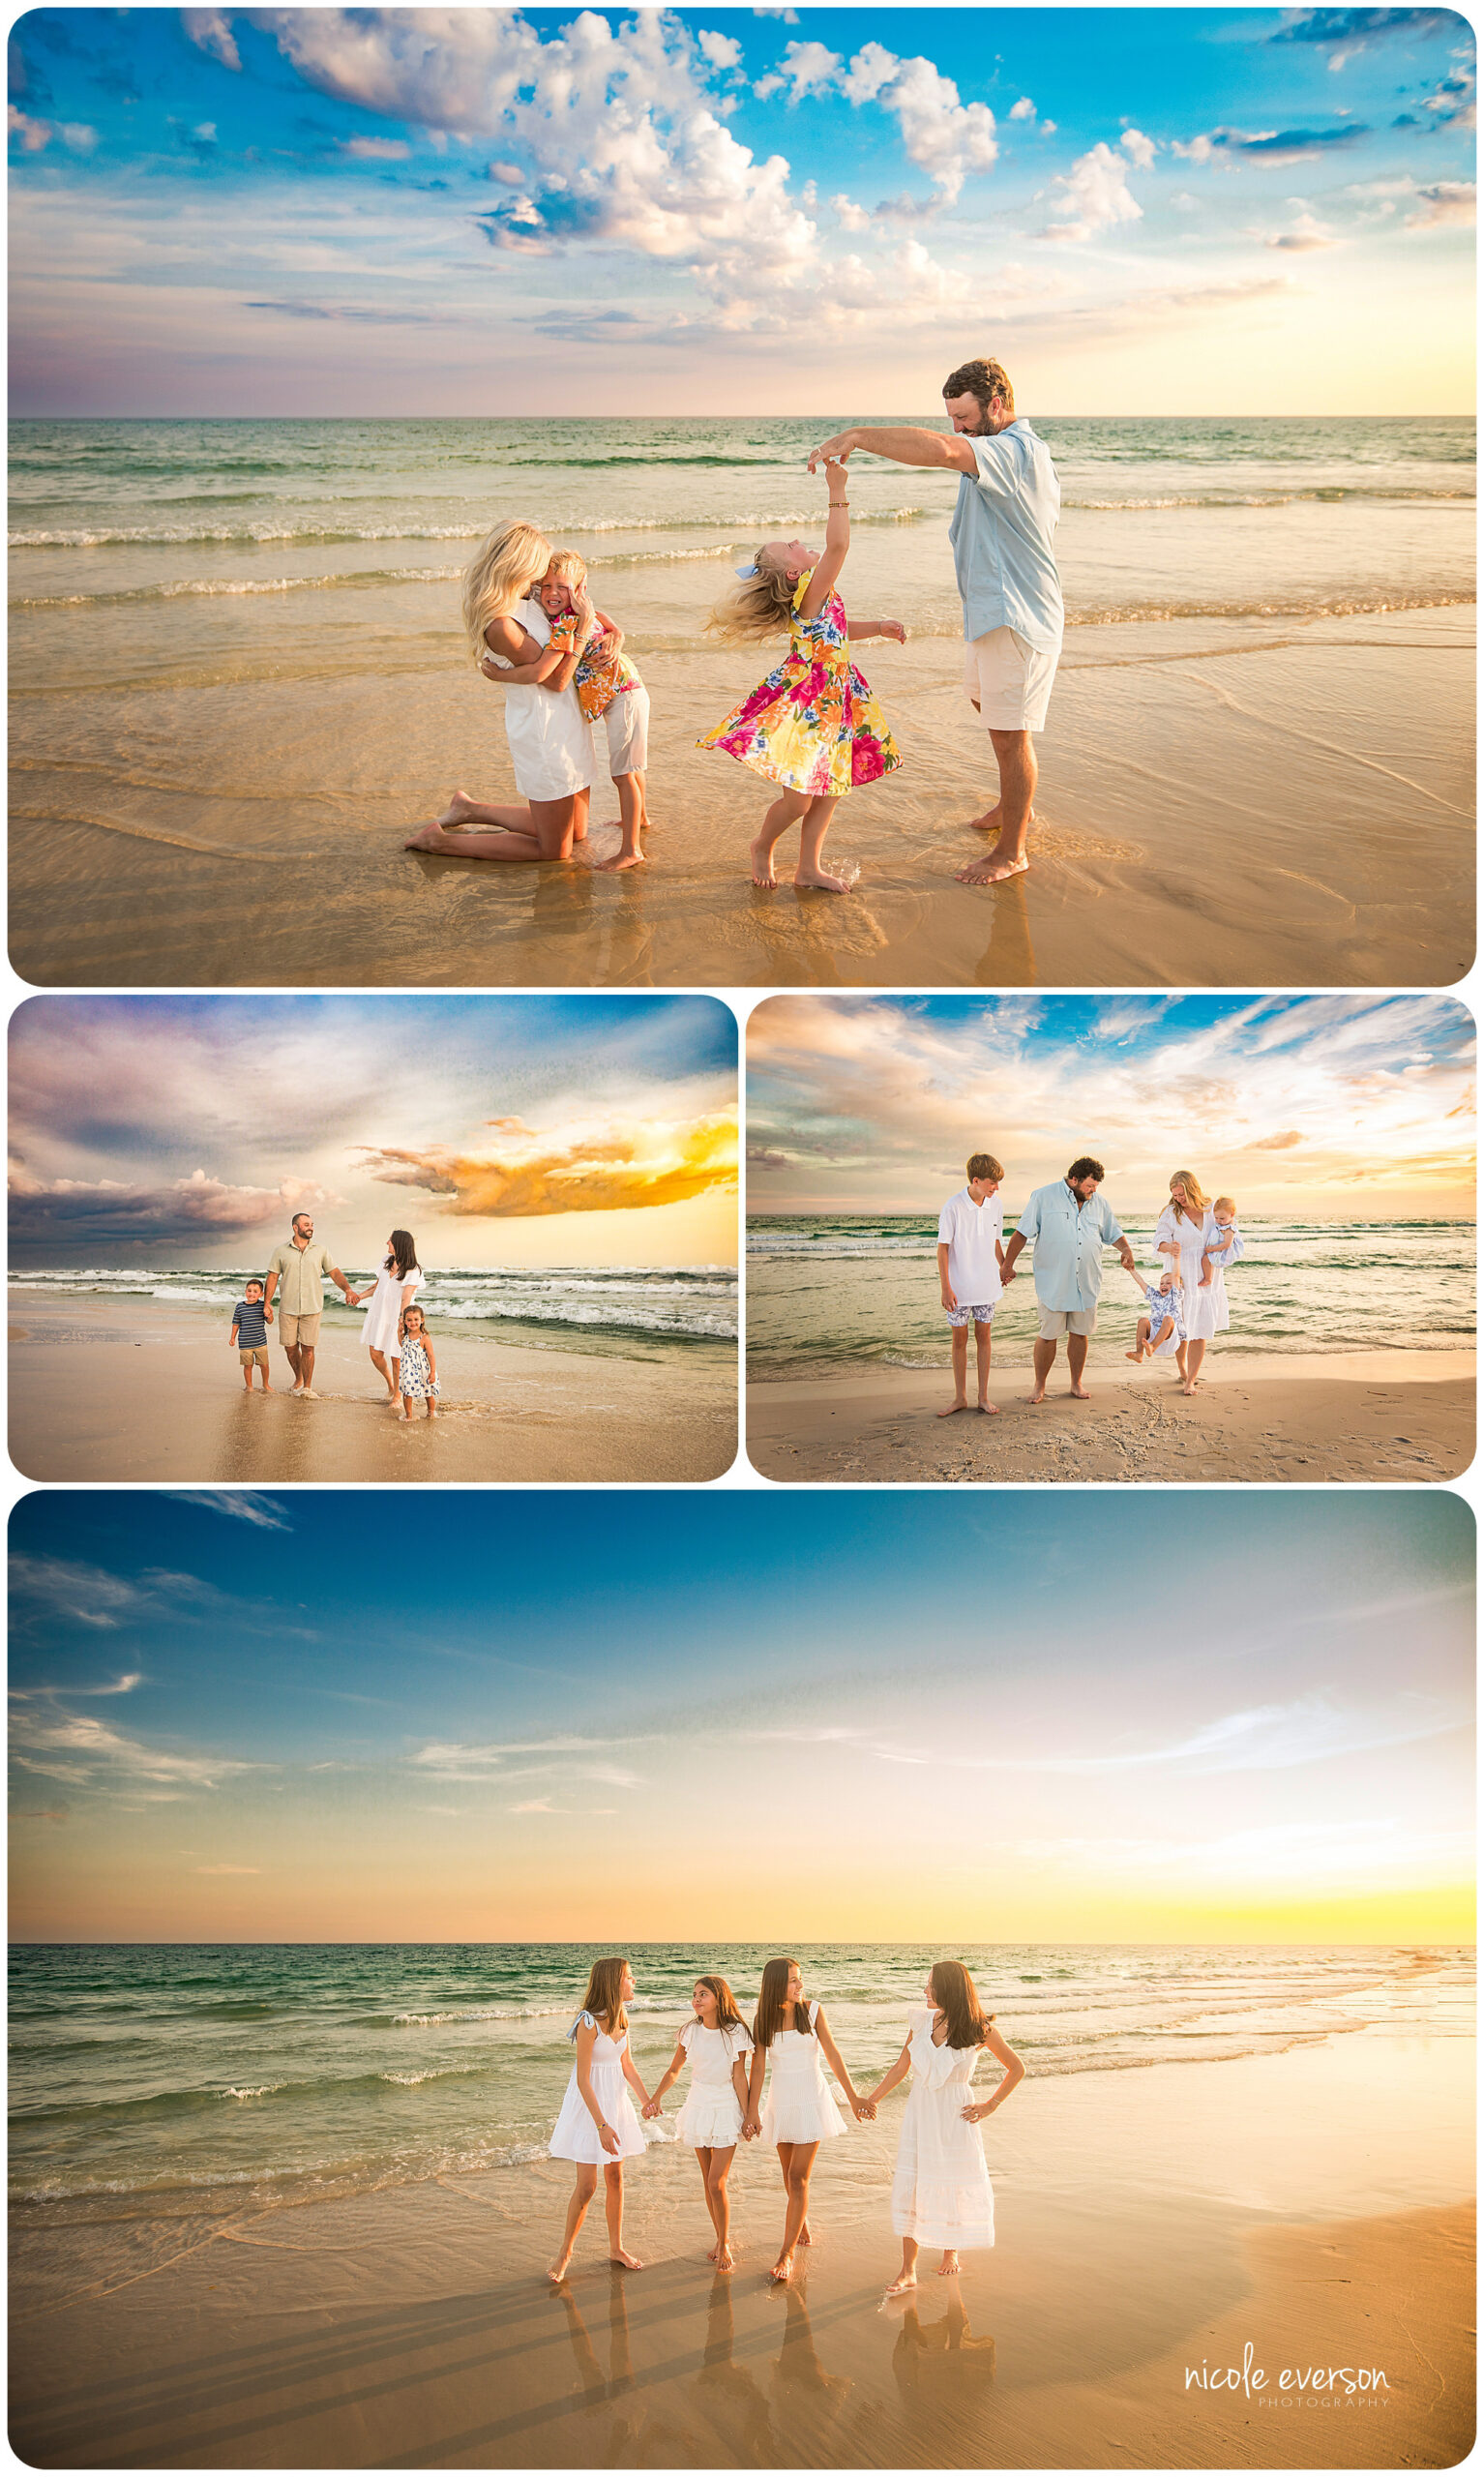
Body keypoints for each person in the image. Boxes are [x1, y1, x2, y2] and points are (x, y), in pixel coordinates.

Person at [807, 354, 1062, 887]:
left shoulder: (1014, 451)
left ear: (997, 404)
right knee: (989, 708)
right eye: (950, 417)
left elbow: (943, 452)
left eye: (964, 417)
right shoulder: (993, 450)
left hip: (1017, 615)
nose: (957, 428)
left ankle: (1013, 850)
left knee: (1011, 733)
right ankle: (1014, 806)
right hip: (992, 614)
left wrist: (857, 435)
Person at [697, 460, 904, 894]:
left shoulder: (818, 600)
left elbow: (837, 632)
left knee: (832, 787)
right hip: (808, 706)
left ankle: (808, 867)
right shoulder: (810, 594)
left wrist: (879, 628)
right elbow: (839, 546)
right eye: (789, 546)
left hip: (839, 698)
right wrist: (837, 488)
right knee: (799, 799)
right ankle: (762, 843)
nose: (796, 540)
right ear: (795, 573)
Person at [405, 519, 598, 864]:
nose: (543, 575)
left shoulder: (529, 595)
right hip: (544, 729)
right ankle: (439, 843)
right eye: (538, 565)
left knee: (579, 830)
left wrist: (612, 633)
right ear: (518, 565)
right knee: (555, 851)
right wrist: (583, 631)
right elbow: (553, 680)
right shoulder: (501, 624)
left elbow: (570, 608)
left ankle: (469, 809)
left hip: (568, 719)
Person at [859, 1960, 1024, 2297]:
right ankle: (908, 2271)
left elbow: (1016, 2068)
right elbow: (902, 2065)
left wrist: (990, 2106)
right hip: (920, 2113)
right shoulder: (920, 2021)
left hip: (955, 2116)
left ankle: (952, 2250)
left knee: (951, 2181)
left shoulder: (981, 2029)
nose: (925, 1991)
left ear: (949, 1988)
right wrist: (871, 2098)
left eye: (931, 1985)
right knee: (914, 2184)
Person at [746, 1956, 871, 2285]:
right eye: (792, 1980)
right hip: (781, 2102)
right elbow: (757, 2068)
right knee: (789, 2176)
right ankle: (800, 2221)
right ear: (775, 1984)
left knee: (799, 2177)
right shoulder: (763, 2020)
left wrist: (853, 2096)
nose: (800, 1985)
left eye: (800, 1979)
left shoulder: (813, 2011)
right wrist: (751, 2110)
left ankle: (786, 2254)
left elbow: (832, 2053)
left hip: (811, 2101)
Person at [540, 551, 650, 872]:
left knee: (624, 774)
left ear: (580, 588)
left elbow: (556, 670)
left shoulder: (567, 624)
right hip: (629, 692)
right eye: (545, 587)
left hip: (625, 697)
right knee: (632, 769)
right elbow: (615, 630)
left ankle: (631, 850)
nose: (553, 594)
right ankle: (640, 819)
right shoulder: (585, 615)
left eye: (563, 587)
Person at [549, 1956, 654, 2282]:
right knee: (588, 2186)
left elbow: (627, 2067)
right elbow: (583, 2080)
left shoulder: (623, 2020)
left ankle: (616, 2247)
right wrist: (601, 2125)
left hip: (616, 2104)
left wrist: (647, 2100)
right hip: (590, 2110)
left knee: (616, 2180)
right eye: (629, 1977)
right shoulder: (588, 2023)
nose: (633, 1981)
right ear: (613, 1982)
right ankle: (565, 2252)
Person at [997, 1157, 1137, 1405]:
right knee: (1048, 1334)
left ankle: (1076, 1384)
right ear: (1074, 1180)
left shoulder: (1100, 1203)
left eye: (1096, 1187)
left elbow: (1113, 1233)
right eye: (1089, 1186)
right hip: (1054, 1282)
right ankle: (1039, 1386)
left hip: (1087, 1282)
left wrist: (1125, 1249)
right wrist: (1007, 1265)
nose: (1093, 1191)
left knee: (1080, 1333)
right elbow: (1021, 1233)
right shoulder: (1043, 1197)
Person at [643, 1976, 755, 2273]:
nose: (696, 1999)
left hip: (726, 2107)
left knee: (717, 2182)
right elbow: (674, 2069)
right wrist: (654, 2098)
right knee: (708, 2182)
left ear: (719, 1997)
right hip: (698, 2106)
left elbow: (740, 2076)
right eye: (694, 1994)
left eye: (703, 1994)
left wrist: (747, 2116)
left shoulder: (736, 2032)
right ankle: (719, 2239)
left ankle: (725, 2242)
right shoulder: (689, 2031)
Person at [935, 1152, 1010, 1419]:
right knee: (959, 1340)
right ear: (976, 1180)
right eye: (992, 1183)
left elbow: (996, 1241)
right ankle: (960, 1398)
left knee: (985, 1339)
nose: (996, 1188)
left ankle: (983, 1397)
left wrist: (1003, 1267)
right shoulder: (953, 1206)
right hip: (959, 1287)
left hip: (987, 1286)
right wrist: (946, 1287)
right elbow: (942, 1248)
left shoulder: (996, 1205)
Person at [262, 1212, 356, 1400]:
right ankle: (298, 1378)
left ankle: (307, 1387)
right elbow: (272, 1277)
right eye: (306, 1224)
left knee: (308, 1349)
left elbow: (334, 1272)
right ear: (295, 1228)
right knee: (290, 1348)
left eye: (312, 1224)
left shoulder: (321, 1250)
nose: (310, 1227)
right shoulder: (280, 1251)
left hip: (312, 1307)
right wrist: (266, 1303)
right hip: (287, 1307)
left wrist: (348, 1289)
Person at [1153, 1171, 1227, 1396]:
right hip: (1181, 1275)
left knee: (1200, 1329)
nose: (1178, 1199)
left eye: (1181, 1194)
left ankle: (1191, 1381)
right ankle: (1182, 1370)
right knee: (1182, 1327)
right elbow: (1158, 1240)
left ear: (1192, 1188)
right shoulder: (1170, 1213)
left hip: (1206, 1278)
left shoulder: (1212, 1208)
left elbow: (1229, 1228)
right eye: (1174, 1195)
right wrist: (1169, 1247)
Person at [346, 1231, 423, 1407]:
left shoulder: (413, 1269)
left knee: (396, 1358)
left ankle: (397, 1396)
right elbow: (377, 1286)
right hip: (378, 1313)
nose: (387, 1242)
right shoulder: (385, 1261)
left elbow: (406, 1297)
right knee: (375, 1354)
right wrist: (360, 1296)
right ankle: (390, 1384)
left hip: (396, 1317)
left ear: (399, 1244)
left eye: (390, 1240)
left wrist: (402, 1321)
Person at [1122, 1262, 1186, 1365]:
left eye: (1168, 1283)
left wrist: (1176, 1257)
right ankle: (1139, 1353)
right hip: (1153, 1338)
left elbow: (1176, 1276)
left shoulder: (1175, 1295)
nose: (1164, 1285)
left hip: (1171, 1339)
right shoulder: (1155, 1296)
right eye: (1161, 1283)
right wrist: (1132, 1270)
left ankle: (1152, 1347)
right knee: (1143, 1321)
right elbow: (1141, 1283)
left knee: (1168, 1319)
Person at [228, 1278, 273, 1393]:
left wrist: (269, 1314)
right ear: (245, 1291)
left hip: (260, 1342)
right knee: (247, 1366)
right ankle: (249, 1386)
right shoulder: (240, 1307)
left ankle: (266, 1385)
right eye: (249, 1290)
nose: (251, 1293)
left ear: (261, 1294)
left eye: (255, 1291)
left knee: (264, 1365)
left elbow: (270, 1321)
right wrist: (232, 1337)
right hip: (245, 1343)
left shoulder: (262, 1306)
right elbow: (236, 1323)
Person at [397, 1304, 439, 1420]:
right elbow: (402, 1345)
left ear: (422, 1320)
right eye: (409, 1320)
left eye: (416, 1319)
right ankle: (409, 1416)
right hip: (408, 1370)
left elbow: (431, 1356)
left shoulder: (424, 1338)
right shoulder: (405, 1335)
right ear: (405, 1321)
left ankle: (431, 1413)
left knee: (428, 1393)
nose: (413, 1322)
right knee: (407, 1393)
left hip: (423, 1371)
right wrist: (398, 1333)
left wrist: (433, 1372)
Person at [1201, 1197, 1245, 1288]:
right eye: (1216, 1217)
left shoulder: (1229, 1229)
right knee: (1207, 1260)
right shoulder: (1222, 1223)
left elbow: (1227, 1244)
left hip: (1223, 1251)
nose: (1218, 1221)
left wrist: (1212, 1248)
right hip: (1218, 1248)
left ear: (1232, 1215)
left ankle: (1208, 1279)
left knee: (1205, 1259)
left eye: (1222, 1218)